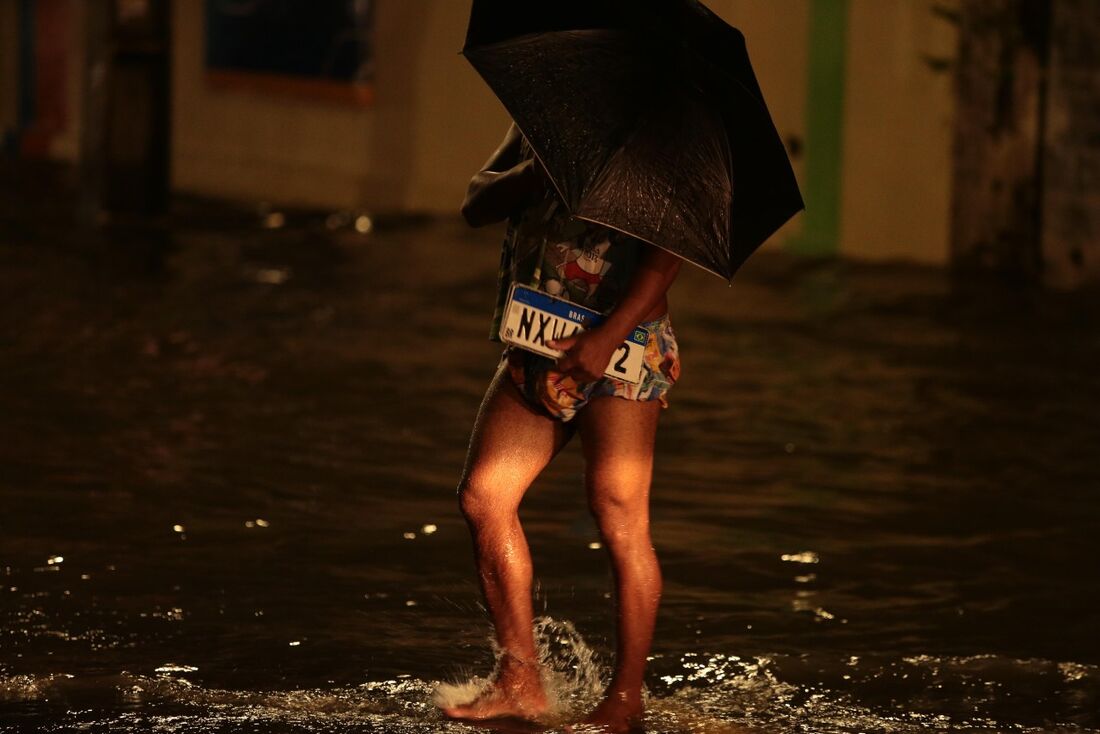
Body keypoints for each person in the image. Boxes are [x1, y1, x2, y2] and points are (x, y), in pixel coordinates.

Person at [441, 121, 683, 733]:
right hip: (540, 337)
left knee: (619, 513)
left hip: (621, 346)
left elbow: (664, 259)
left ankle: (624, 701)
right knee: (485, 496)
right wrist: (538, 170)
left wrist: (605, 339)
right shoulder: (545, 119)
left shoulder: (663, 137)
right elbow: (476, 202)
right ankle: (520, 679)